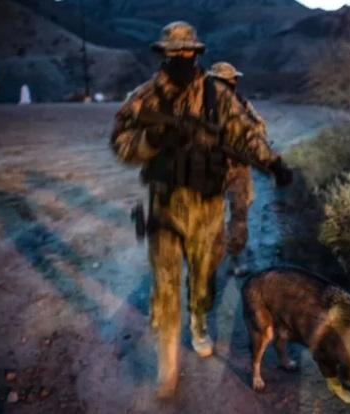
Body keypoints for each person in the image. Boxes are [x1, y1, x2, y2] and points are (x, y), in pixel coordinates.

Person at [109, 21, 292, 398]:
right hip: (165, 203)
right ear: (163, 55)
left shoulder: (216, 95)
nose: (181, 58)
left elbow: (246, 134)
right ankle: (168, 361)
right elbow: (121, 142)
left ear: (196, 54)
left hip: (207, 206)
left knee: (203, 277)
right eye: (174, 53)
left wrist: (272, 163)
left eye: (187, 53)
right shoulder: (146, 96)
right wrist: (152, 137)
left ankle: (198, 321)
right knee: (165, 281)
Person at [207, 62, 264, 257]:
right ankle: (234, 256)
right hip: (233, 168)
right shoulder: (241, 103)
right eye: (232, 79)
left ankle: (217, 254)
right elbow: (259, 130)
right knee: (238, 212)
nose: (233, 82)